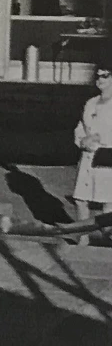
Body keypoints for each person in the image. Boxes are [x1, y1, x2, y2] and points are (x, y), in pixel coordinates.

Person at [73, 64, 112, 245]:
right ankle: (83, 237)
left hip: (107, 157)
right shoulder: (91, 103)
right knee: (80, 199)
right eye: (97, 76)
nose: (100, 79)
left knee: (107, 202)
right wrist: (82, 140)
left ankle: (108, 238)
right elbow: (80, 127)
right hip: (88, 157)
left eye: (105, 75)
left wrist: (100, 138)